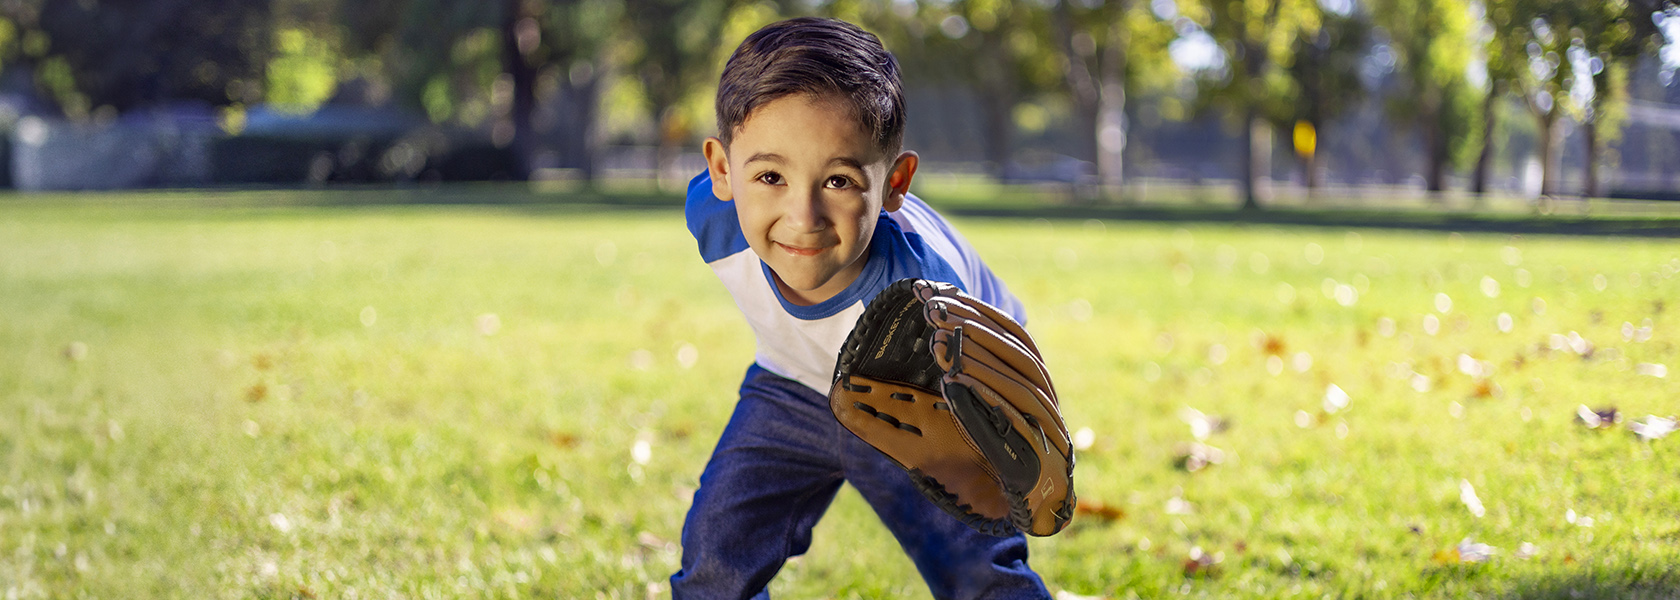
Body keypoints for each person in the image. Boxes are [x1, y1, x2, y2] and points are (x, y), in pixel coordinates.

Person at [673, 16, 1051, 600]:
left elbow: (985, 371)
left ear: (895, 183)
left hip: (925, 407)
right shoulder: (716, 220)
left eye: (840, 181)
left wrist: (985, 440)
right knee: (715, 559)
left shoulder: (926, 303)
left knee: (978, 572)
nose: (803, 216)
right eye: (770, 175)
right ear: (722, 171)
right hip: (791, 388)